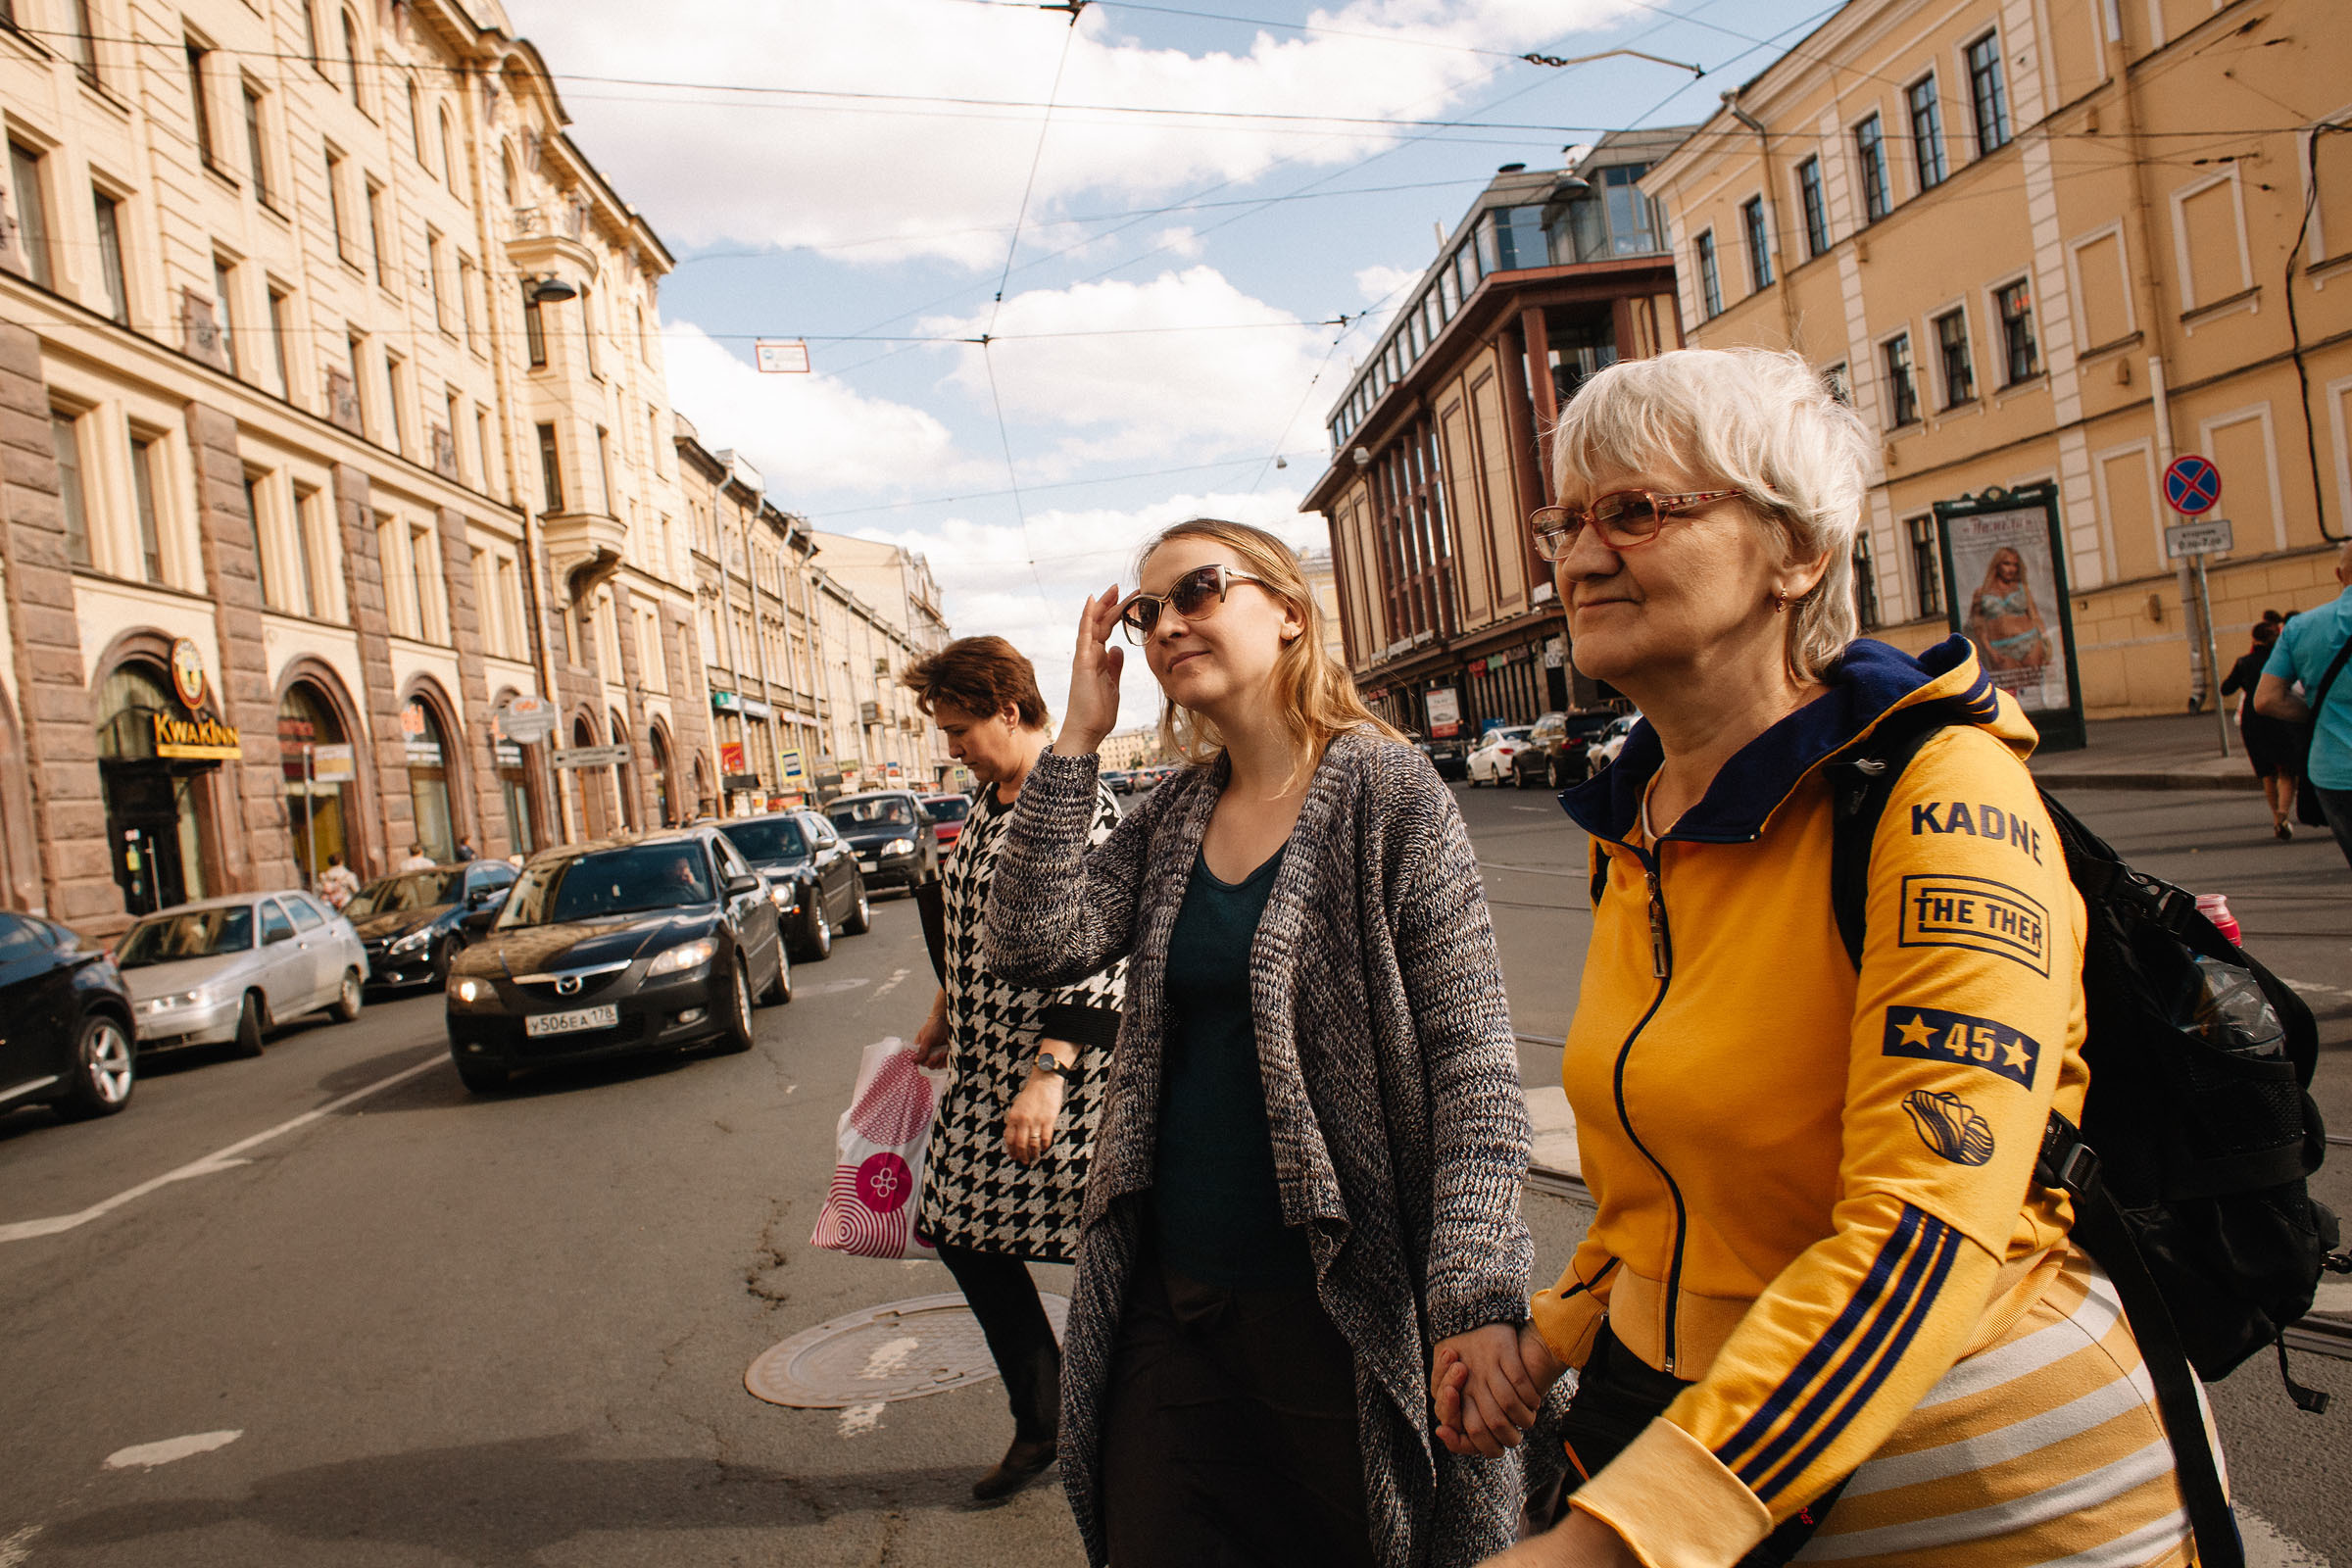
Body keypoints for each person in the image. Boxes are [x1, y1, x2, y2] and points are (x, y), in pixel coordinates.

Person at [1446, 349, 2193, 1568]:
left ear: (1797, 553)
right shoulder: (1640, 821)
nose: (1580, 558)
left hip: (1980, 1488)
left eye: (1636, 512)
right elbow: (1667, 1190)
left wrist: (1611, 1545)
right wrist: (1554, 1333)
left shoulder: (1941, 795)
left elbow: (1924, 1230)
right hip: (1710, 1441)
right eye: (1568, 520)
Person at [982, 519, 1534, 1568]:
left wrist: (1473, 1291)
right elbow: (1029, 940)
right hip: (1170, 1296)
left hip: (1337, 1302)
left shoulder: (1387, 792)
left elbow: (1474, 1065)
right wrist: (1076, 743)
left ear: (1288, 610)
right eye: (1147, 612)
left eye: (1197, 590)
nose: (1166, 624)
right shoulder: (1173, 813)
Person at [904, 636, 1125, 1501]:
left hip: (1062, 1071)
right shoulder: (989, 799)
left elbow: (1108, 952)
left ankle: (1132, 1420)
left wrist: (1051, 1071)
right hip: (983, 1063)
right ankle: (1047, 1419)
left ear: (1007, 706)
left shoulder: (1079, 804)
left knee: (1112, 1254)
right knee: (959, 1227)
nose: (950, 744)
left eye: (960, 727)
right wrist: (944, 1009)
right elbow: (967, 920)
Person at [2256, 538, 2352, 867]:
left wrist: (2316, 713)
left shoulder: (2300, 628)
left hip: (2335, 773)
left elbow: (2266, 700)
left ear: (2339, 574)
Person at [2221, 618, 2305, 839]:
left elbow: (2225, 688)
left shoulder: (2244, 662)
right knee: (2286, 770)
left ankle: (2276, 819)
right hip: (2280, 715)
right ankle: (2283, 813)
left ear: (2254, 638)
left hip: (2254, 718)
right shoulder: (2281, 660)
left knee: (2267, 772)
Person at [1964, 545, 2052, 684]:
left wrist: (2046, 642)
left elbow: (2034, 616)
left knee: (2033, 688)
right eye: (2007, 564)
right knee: (2009, 690)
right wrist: (1990, 651)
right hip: (2001, 647)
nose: (2011, 569)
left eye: (2015, 565)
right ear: (1997, 565)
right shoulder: (1981, 592)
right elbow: (1978, 626)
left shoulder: (2022, 588)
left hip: (2030, 642)